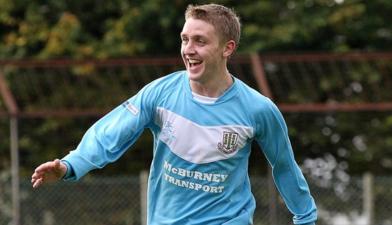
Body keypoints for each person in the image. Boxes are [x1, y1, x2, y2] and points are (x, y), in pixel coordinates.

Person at [31, 3, 317, 225]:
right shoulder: (160, 94)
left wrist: (305, 219)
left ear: (227, 48)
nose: (188, 50)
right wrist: (70, 165)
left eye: (200, 41)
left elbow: (284, 166)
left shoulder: (258, 109)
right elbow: (110, 134)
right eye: (184, 39)